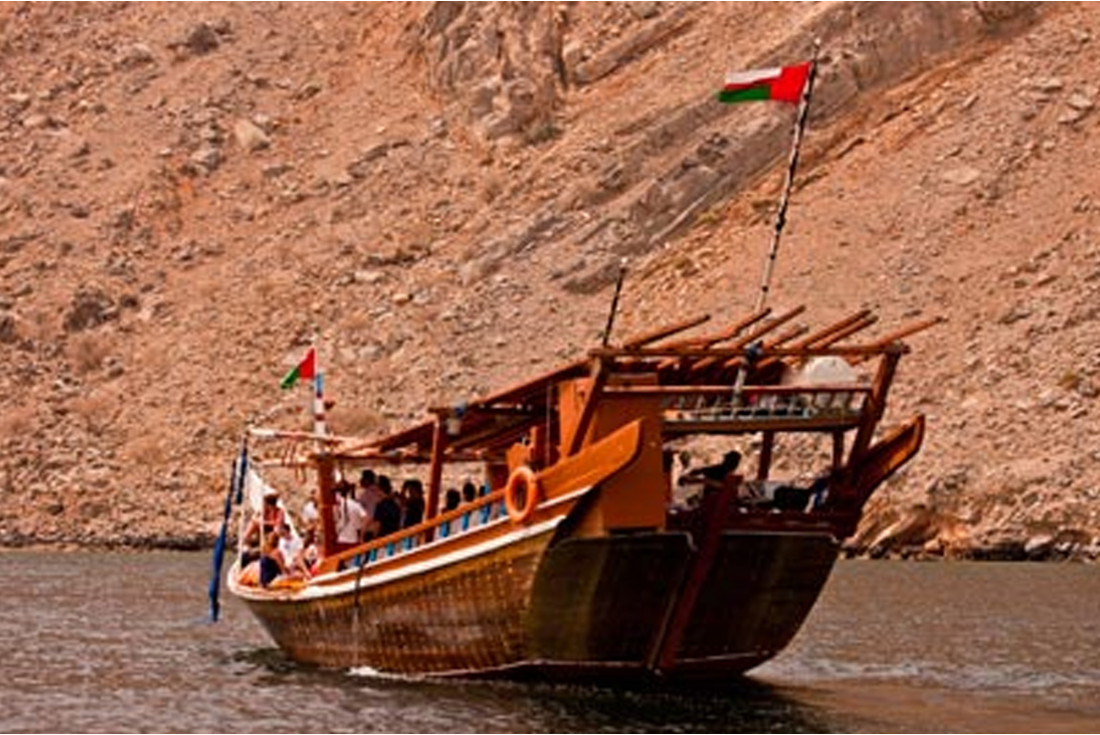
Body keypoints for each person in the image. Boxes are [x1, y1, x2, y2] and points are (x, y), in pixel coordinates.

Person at [333, 481, 367, 552]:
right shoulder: (355, 505)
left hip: (340, 539)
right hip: (353, 538)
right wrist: (361, 533)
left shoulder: (336, 506)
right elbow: (365, 518)